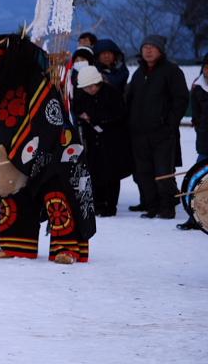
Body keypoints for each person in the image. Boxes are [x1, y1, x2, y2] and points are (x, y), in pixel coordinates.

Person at [125, 35, 189, 219]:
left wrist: (169, 124)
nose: (148, 50)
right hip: (139, 133)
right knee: (143, 172)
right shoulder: (138, 73)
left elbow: (181, 99)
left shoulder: (172, 71)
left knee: (163, 172)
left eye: (152, 47)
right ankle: (151, 206)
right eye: (145, 47)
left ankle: (167, 206)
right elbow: (129, 99)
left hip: (162, 133)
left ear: (160, 50)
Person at [74, 65, 131, 217]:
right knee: (94, 171)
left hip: (112, 139)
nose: (91, 89)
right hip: (92, 140)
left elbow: (119, 114)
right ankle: (98, 203)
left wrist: (94, 118)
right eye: (87, 87)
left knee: (111, 174)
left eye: (93, 86)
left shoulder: (111, 93)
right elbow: (77, 108)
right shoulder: (82, 95)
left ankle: (110, 205)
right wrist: (82, 116)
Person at [178, 54, 208, 230]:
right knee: (198, 180)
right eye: (207, 67)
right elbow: (196, 115)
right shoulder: (198, 87)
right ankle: (195, 217)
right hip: (205, 141)